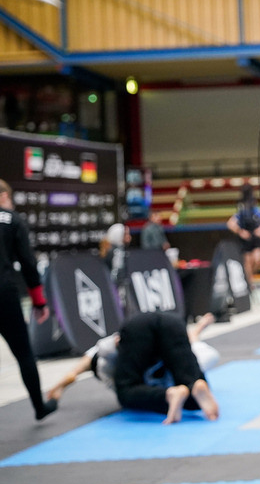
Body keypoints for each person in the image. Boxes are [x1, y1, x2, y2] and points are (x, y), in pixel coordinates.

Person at [47, 312, 218, 406]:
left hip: (138, 330)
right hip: (171, 322)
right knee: (192, 384)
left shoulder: (110, 371)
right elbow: (191, 340)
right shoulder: (107, 362)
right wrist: (199, 327)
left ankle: (170, 395)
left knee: (127, 394)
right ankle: (194, 385)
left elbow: (89, 361)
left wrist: (64, 382)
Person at [0, 179, 57, 421]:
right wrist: (39, 301)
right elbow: (28, 263)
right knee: (23, 352)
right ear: (4, 196)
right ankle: (38, 406)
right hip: (4, 292)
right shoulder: (12, 219)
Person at [227, 184, 260, 284]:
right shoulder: (241, 210)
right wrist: (241, 232)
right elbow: (230, 223)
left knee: (258, 260)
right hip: (245, 239)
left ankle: (250, 279)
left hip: (256, 238)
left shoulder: (257, 210)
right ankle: (249, 283)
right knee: (248, 262)